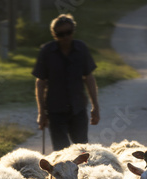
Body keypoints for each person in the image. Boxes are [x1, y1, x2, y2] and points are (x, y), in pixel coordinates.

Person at [32, 14, 100, 151]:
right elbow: (40, 82)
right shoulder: (47, 51)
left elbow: (89, 78)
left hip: (78, 108)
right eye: (60, 34)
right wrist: (41, 112)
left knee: (82, 150)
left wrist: (95, 107)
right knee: (61, 151)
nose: (65, 37)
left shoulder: (81, 49)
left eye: (68, 32)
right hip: (55, 110)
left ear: (73, 31)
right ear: (54, 34)